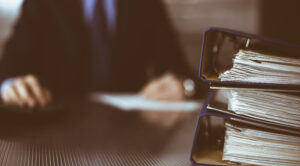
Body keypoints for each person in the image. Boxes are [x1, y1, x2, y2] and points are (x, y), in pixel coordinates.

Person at [0, 0, 200, 108]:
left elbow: (183, 73)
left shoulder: (146, 4)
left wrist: (185, 87)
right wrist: (12, 86)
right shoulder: (43, 3)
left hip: (129, 134)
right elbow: (10, 66)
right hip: (55, 124)